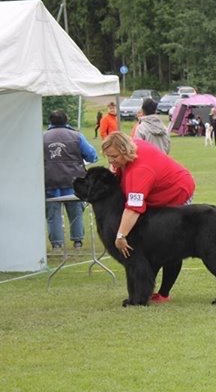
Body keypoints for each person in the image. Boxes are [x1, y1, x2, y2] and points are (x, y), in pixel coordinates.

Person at [101, 131, 196, 303]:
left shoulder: (140, 171)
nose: (111, 161)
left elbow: (133, 208)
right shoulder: (132, 147)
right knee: (149, 243)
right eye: (108, 156)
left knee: (171, 245)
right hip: (155, 193)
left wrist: (120, 236)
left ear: (125, 150)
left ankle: (164, 293)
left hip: (177, 192)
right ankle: (145, 289)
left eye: (114, 156)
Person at [44, 109, 98, 249]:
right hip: (74, 182)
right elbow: (92, 156)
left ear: (50, 121)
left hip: (50, 182)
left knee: (53, 214)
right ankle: (77, 241)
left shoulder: (42, 137)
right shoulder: (77, 136)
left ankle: (56, 244)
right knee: (76, 212)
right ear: (66, 120)